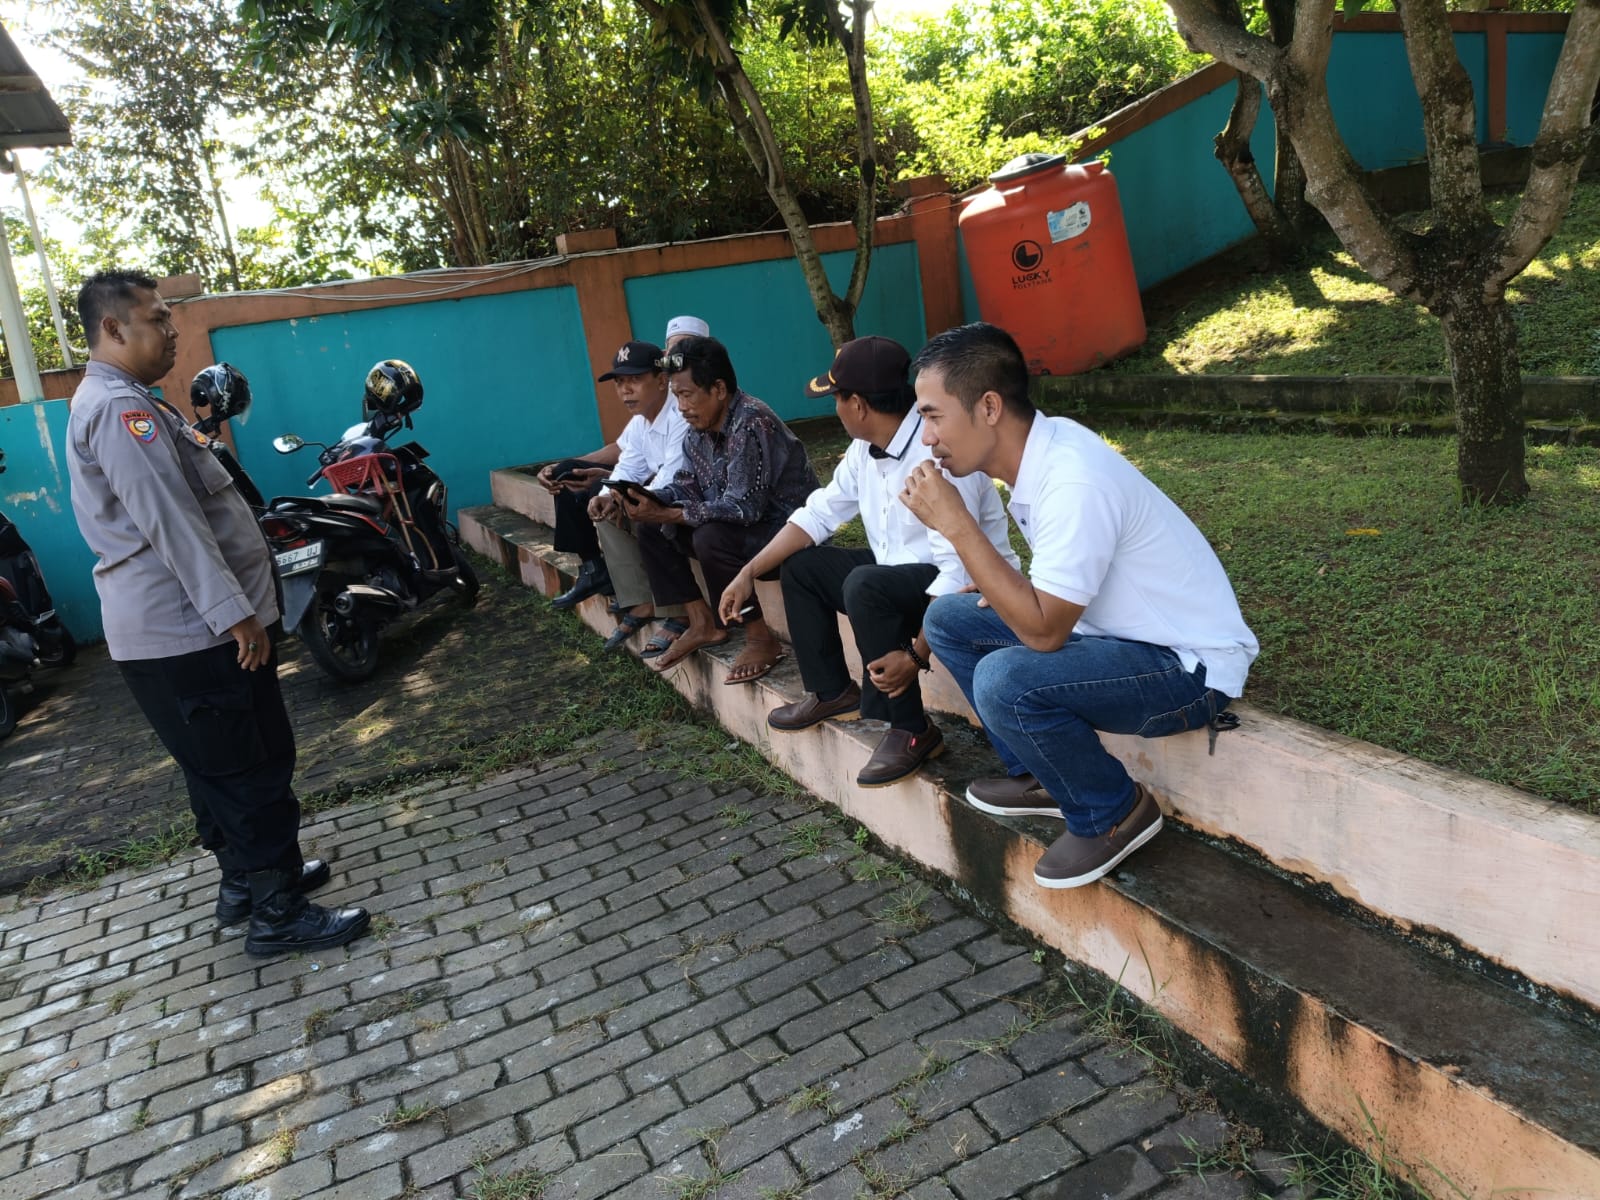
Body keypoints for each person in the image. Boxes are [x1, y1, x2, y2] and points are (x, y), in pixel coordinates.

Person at [65, 269, 371, 955]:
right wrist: (233, 613)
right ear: (113, 328)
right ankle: (277, 912)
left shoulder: (123, 401)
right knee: (248, 765)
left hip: (176, 630)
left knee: (215, 765)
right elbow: (170, 520)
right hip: (193, 628)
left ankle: (246, 883)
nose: (172, 330)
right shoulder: (119, 410)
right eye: (157, 318)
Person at [901, 322, 1259, 889]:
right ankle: (1042, 774)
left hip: (1185, 670)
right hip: (1113, 640)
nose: (926, 438)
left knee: (1004, 679)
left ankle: (1110, 811)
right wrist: (998, 584)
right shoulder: (1045, 449)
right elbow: (1054, 596)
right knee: (949, 619)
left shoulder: (1073, 480)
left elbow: (1044, 633)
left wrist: (956, 523)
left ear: (989, 407)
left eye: (933, 416)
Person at [717, 336, 1017, 788]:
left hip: (968, 591)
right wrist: (748, 572)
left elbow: (959, 572)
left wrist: (914, 657)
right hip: (896, 577)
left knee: (866, 584)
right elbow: (818, 515)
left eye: (836, 398)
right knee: (803, 567)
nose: (835, 409)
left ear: (857, 404)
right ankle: (832, 691)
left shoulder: (936, 452)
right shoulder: (865, 449)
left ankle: (911, 729)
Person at [622, 335, 819, 683]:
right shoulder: (697, 431)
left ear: (718, 389)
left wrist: (671, 513)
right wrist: (649, 499)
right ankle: (701, 622)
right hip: (746, 532)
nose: (681, 407)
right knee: (651, 525)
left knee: (710, 536)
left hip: (787, 536)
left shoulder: (752, 422)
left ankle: (760, 638)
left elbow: (744, 508)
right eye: (676, 396)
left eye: (687, 395)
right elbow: (687, 485)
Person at [539, 316, 706, 619]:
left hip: (697, 498)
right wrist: (609, 493)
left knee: (642, 514)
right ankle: (600, 573)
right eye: (619, 382)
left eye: (634, 380)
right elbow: (627, 461)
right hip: (666, 488)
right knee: (591, 490)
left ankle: (679, 614)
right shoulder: (643, 417)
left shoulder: (682, 409)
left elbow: (673, 475)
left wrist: (621, 495)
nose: (625, 390)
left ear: (660, 379)